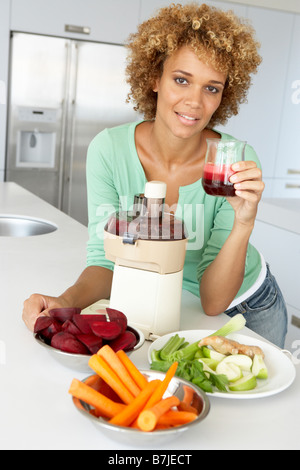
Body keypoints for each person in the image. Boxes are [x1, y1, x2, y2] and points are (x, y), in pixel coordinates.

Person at [23, 3, 287, 348]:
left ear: (224, 96)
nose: (195, 101)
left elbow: (212, 303)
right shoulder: (109, 150)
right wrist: (64, 302)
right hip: (166, 303)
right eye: (181, 80)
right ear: (154, 78)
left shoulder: (231, 162)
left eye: (212, 88)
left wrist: (245, 222)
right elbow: (106, 261)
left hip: (247, 306)